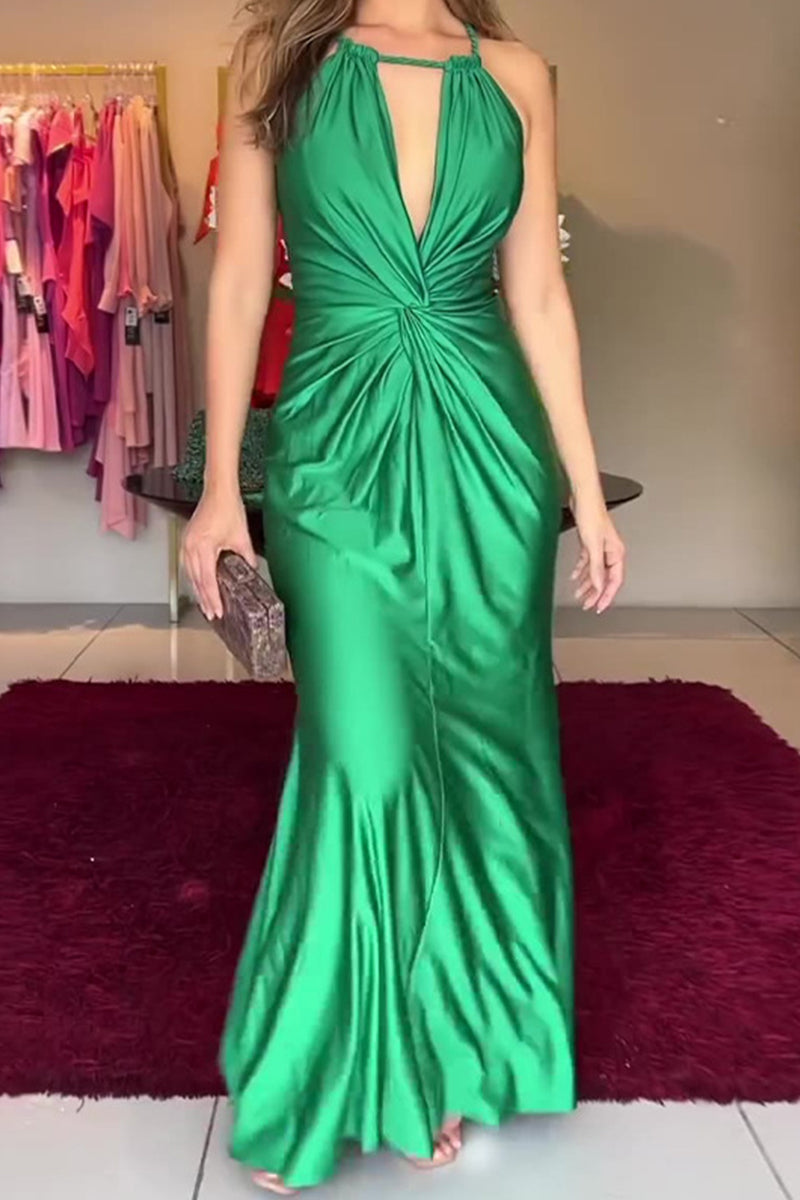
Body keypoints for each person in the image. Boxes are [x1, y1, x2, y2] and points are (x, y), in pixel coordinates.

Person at [181, 0, 626, 1192]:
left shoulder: (516, 73)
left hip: (488, 449)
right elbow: (240, 282)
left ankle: (454, 1046)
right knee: (364, 754)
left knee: (484, 745)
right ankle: (323, 1076)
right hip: (333, 446)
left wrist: (584, 491)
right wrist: (220, 490)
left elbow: (536, 295)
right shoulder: (277, 63)